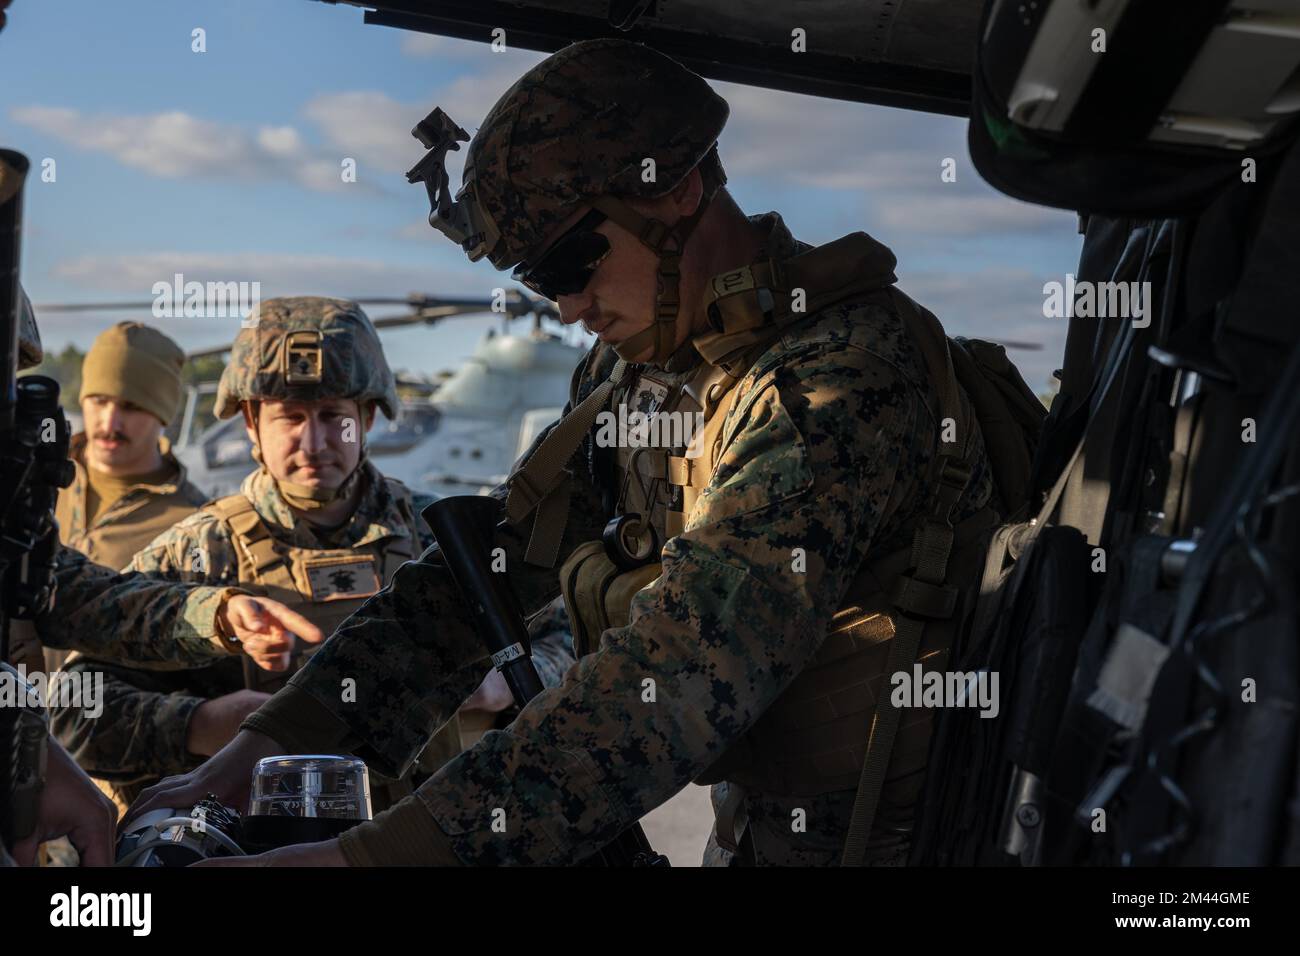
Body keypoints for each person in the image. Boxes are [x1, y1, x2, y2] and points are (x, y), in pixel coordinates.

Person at [133, 38, 998, 867]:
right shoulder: (638, 370)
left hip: (902, 838)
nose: (569, 307)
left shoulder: (837, 380)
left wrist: (368, 857)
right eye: (540, 282)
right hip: (767, 823)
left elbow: (681, 667)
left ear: (679, 189)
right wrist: (262, 749)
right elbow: (483, 577)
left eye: (572, 262)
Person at [53, 297, 573, 813]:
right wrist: (201, 723)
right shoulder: (200, 550)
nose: (314, 441)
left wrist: (508, 683)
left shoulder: (442, 537)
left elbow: (569, 631)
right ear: (251, 425)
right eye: (289, 417)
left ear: (367, 419)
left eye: (333, 416)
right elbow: (73, 708)